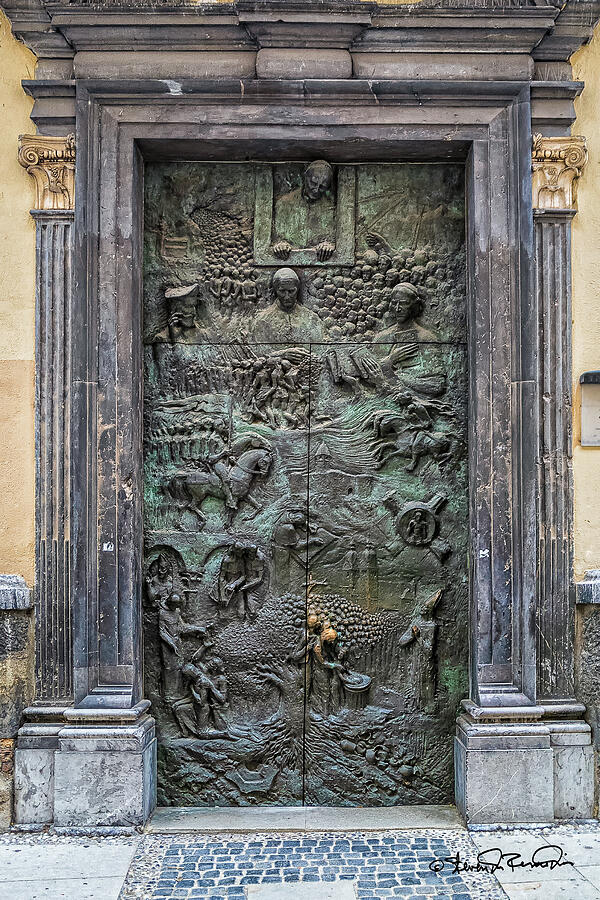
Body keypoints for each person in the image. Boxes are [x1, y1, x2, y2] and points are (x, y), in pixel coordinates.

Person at [271, 160, 336, 262]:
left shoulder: (331, 207)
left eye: (322, 186)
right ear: (305, 177)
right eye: (313, 183)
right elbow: (278, 237)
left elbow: (331, 238)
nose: (316, 189)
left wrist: (328, 245)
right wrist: (280, 245)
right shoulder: (284, 203)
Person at [254, 268, 323, 343]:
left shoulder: (312, 319)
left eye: (291, 291)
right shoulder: (263, 320)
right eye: (282, 291)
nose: (287, 297)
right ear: (275, 290)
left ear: (297, 289)